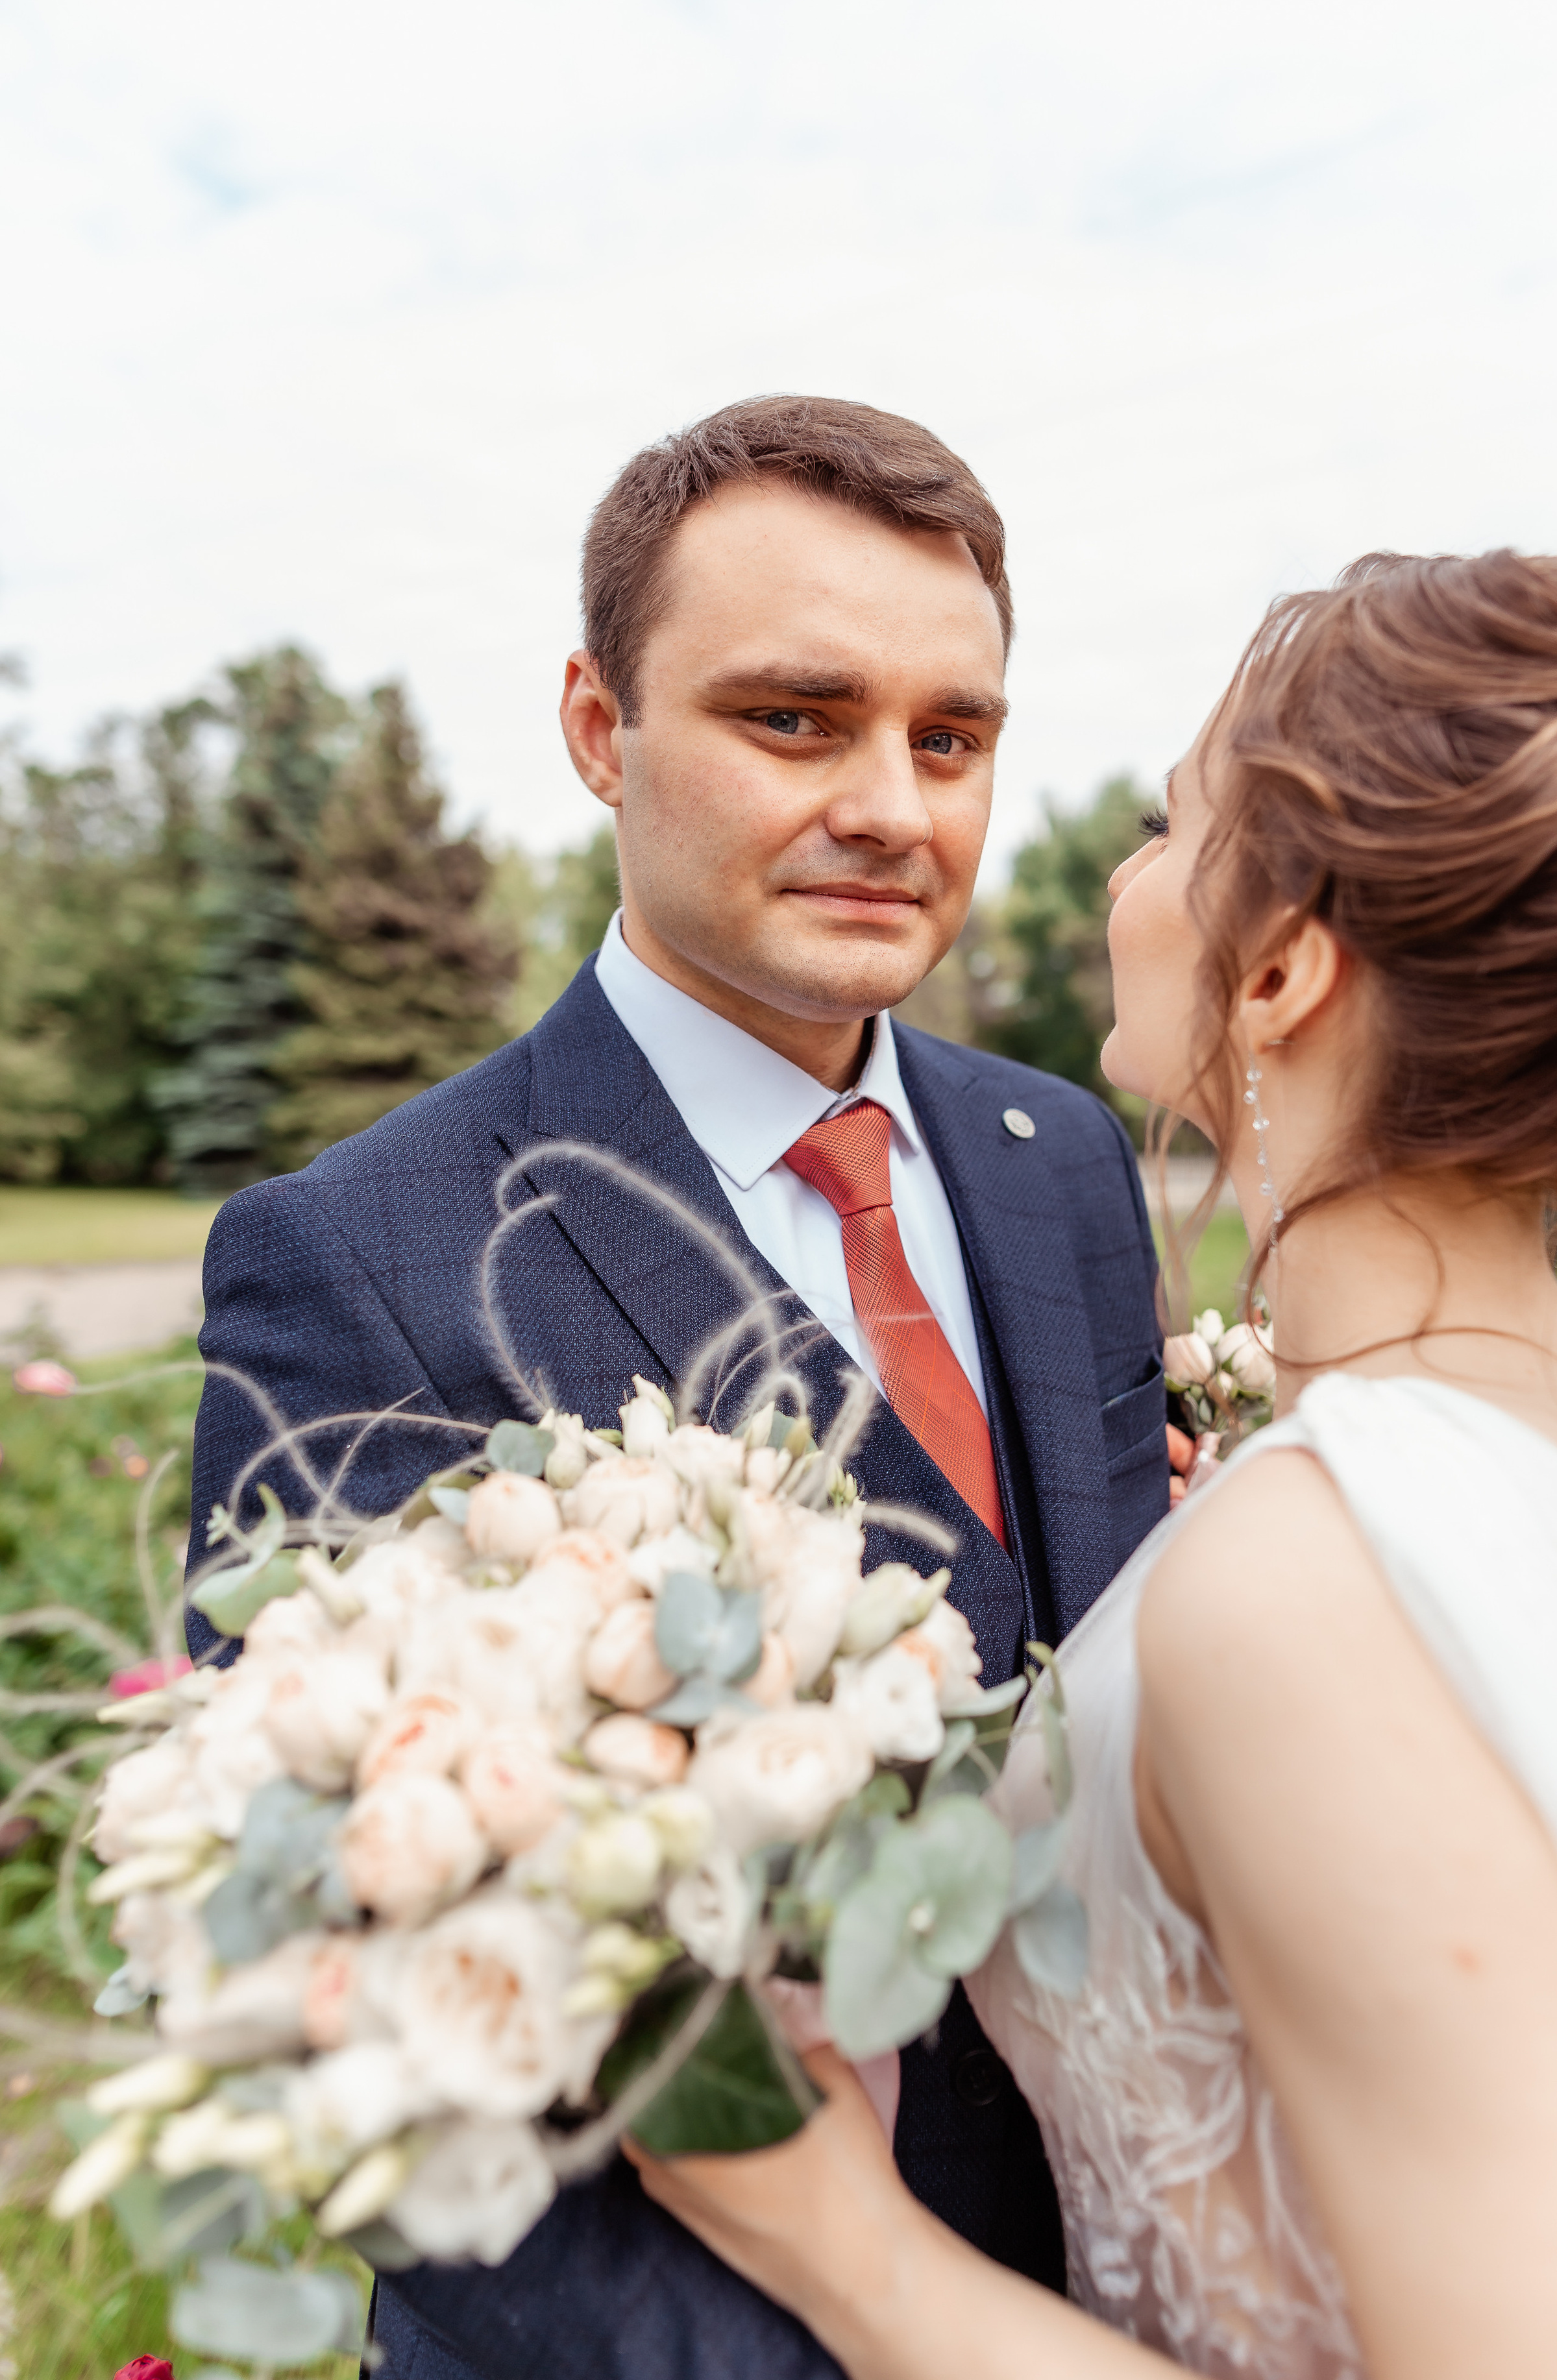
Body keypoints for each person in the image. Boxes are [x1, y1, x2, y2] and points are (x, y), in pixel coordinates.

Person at [186, 395, 1176, 2380]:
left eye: (951, 736)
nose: (896, 804)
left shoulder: (1058, 1158)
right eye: (795, 720)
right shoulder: (357, 1257)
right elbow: (350, 1997)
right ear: (596, 729)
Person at [631, 548, 1557, 2379]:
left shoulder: (1317, 1577)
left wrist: (848, 2249)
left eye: (1165, 825)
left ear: (1276, 971)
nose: (1121, 880)